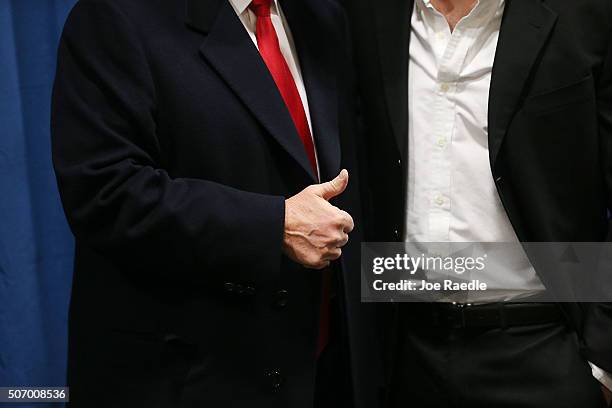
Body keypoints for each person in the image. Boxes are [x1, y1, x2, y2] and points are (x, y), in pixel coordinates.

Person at [51, 0, 382, 406]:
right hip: (191, 376)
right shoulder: (115, 15)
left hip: (320, 372)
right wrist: (274, 224)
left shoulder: (323, 17)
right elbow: (104, 193)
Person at [344, 0, 612, 406]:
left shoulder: (587, 15)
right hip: (406, 351)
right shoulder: (370, 14)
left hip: (544, 346)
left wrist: (603, 362)